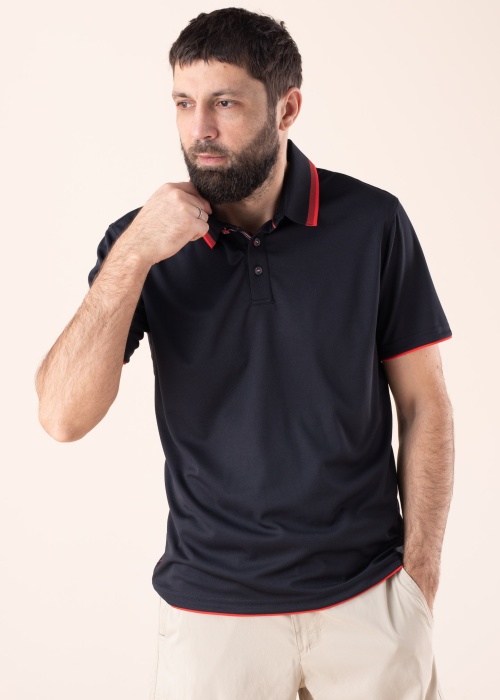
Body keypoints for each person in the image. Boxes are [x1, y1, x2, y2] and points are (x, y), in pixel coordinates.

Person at [35, 7, 454, 700]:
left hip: (368, 603)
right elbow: (60, 416)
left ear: (286, 108)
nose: (199, 128)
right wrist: (135, 252)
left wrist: (420, 581)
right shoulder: (141, 243)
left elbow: (425, 402)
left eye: (224, 103)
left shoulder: (371, 222)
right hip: (211, 616)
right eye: (183, 103)